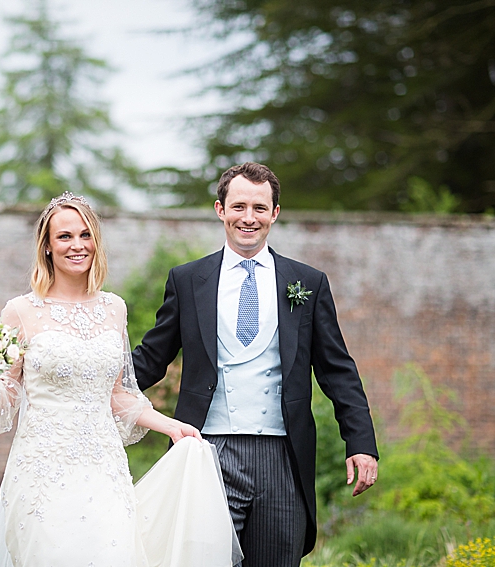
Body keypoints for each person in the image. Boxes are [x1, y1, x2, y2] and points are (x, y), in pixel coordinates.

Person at [0, 192, 240, 567]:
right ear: (47, 247)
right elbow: (8, 394)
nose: (77, 245)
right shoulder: (21, 311)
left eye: (85, 235)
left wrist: (172, 427)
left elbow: (117, 395)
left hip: (104, 471)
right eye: (65, 236)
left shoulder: (113, 308)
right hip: (43, 473)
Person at [132, 162, 380, 567]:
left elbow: (337, 370)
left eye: (260, 208)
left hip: (282, 454)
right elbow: (152, 359)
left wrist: (362, 443)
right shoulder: (187, 279)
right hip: (207, 449)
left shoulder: (308, 283)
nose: (249, 218)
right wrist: (95, 381)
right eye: (239, 206)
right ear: (220, 209)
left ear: (275, 213)